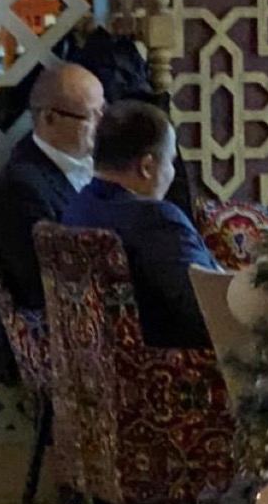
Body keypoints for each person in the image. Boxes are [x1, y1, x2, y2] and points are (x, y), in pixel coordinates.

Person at [62, 100, 216, 349]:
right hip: (176, 361)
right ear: (146, 166)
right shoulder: (157, 220)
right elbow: (206, 308)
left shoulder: (78, 207)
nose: (172, 173)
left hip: (102, 358)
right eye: (171, 162)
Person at [0, 63, 105, 311]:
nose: (102, 123)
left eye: (104, 110)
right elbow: (40, 286)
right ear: (49, 118)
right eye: (92, 116)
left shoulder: (104, 164)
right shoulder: (19, 188)